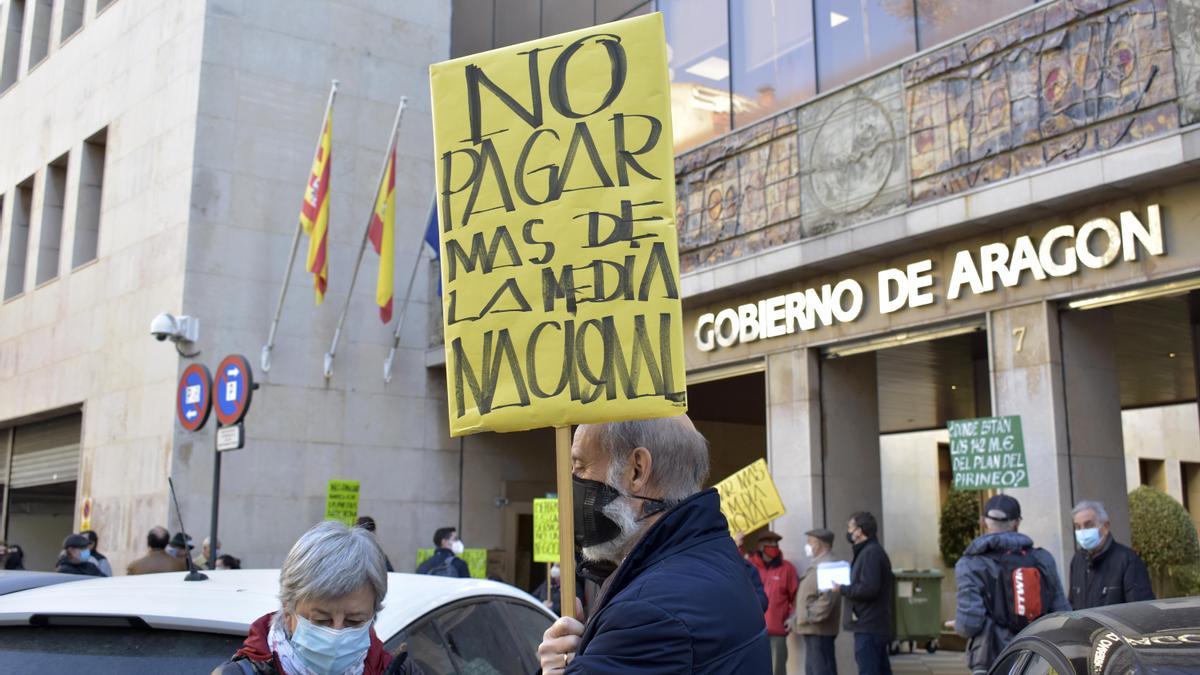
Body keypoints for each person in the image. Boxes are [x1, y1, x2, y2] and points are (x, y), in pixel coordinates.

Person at [536, 415, 770, 673]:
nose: (572, 479)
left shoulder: (645, 613)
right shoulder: (719, 559)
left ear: (636, 469)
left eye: (580, 465)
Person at [212, 521, 420, 674]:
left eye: (354, 621)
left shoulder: (399, 671)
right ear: (287, 611)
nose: (336, 634)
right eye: (321, 620)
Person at [955, 495, 1070, 675]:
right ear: (1017, 522)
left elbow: (970, 624)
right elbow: (1062, 613)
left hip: (992, 659)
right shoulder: (1043, 559)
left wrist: (959, 623)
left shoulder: (970, 563)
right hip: (1037, 655)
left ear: (983, 522)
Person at [832, 511, 893, 675]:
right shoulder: (868, 552)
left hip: (870, 628)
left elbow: (868, 588)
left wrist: (842, 588)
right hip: (871, 626)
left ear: (859, 530)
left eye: (850, 527)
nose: (849, 531)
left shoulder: (871, 553)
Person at [1069, 500, 1154, 609]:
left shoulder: (1128, 560)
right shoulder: (1077, 560)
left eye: (1088, 525)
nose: (1083, 531)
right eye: (1077, 527)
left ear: (1105, 527)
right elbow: (1072, 605)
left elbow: (1142, 610)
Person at [744, 530, 799, 675]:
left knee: (777, 670)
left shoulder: (787, 568)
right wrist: (737, 544)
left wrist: (793, 617)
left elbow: (796, 597)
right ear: (761, 547)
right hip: (752, 631)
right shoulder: (749, 566)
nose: (774, 547)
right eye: (769, 544)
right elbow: (730, 566)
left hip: (777, 631)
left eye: (776, 544)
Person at [793, 528, 841, 675]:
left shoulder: (829, 566)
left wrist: (808, 616)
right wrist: (797, 618)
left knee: (822, 671)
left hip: (820, 631)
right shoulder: (817, 565)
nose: (807, 546)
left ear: (818, 545)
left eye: (809, 542)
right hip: (813, 630)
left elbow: (827, 600)